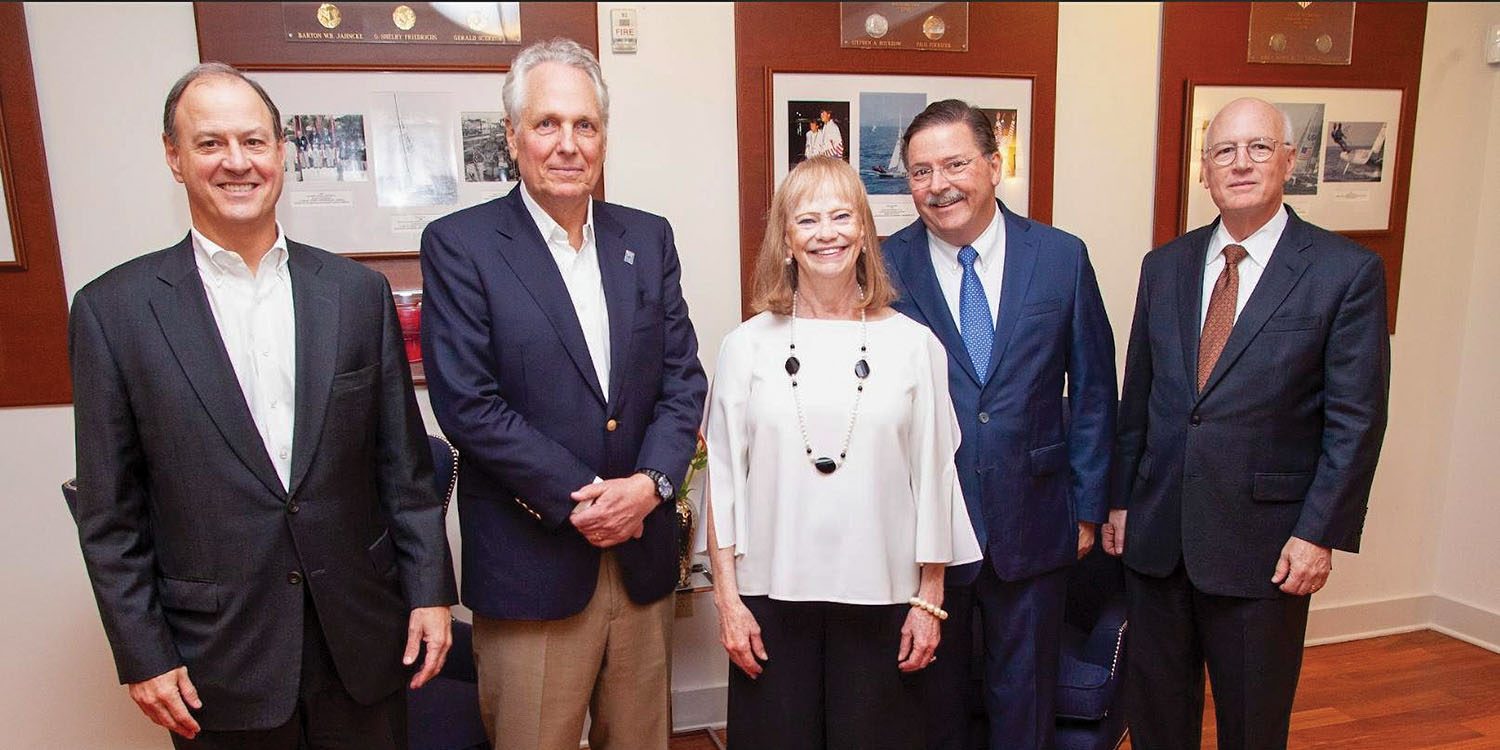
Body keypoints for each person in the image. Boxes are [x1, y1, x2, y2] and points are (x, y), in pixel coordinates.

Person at [68, 62, 456, 749]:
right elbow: (110, 513)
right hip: (219, 656)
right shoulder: (113, 312)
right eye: (210, 143)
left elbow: (401, 466)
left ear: (282, 152)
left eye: (253, 141)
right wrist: (143, 651)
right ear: (174, 158)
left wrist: (429, 592)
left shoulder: (354, 294)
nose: (236, 162)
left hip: (363, 637)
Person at [419, 38, 707, 750]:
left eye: (585, 125)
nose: (568, 144)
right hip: (532, 565)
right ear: (513, 137)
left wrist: (649, 487)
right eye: (547, 124)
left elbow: (683, 381)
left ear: (604, 135)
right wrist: (591, 498)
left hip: (640, 561)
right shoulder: (462, 245)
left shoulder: (648, 237)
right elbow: (469, 404)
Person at [1103, 97, 1390, 750]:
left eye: (1259, 147)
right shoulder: (1165, 266)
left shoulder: (1343, 274)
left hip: (1263, 547)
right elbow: (1138, 398)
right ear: (1204, 170)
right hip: (1157, 540)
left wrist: (1320, 533)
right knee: (1156, 721)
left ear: (1291, 160)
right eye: (1223, 151)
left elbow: (1356, 421)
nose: (1240, 163)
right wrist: (1121, 499)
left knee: (1252, 725)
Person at [701, 155, 981, 750]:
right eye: (807, 220)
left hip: (885, 600)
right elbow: (722, 484)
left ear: (863, 234)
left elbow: (934, 479)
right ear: (785, 239)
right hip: (768, 602)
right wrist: (728, 603)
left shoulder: (913, 345)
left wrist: (930, 602)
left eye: (841, 216)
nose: (825, 232)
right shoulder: (744, 347)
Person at [881, 99, 1118, 750]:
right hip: (923, 534)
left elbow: (1095, 391)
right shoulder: (881, 265)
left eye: (955, 164)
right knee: (931, 711)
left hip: (1037, 523)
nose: (939, 185)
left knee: (1025, 709)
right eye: (921, 171)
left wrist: (1089, 511)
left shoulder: (1062, 258)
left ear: (993, 165)